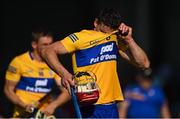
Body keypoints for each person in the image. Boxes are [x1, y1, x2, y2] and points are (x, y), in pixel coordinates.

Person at [42, 8, 150, 118]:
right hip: (90, 105)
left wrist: (129, 40)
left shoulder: (115, 38)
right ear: (96, 22)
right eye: (103, 31)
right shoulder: (81, 37)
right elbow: (47, 51)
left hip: (111, 107)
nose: (105, 35)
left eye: (111, 30)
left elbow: (144, 64)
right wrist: (65, 74)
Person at [4, 28, 71, 118]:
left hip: (44, 115)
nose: (49, 47)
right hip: (23, 114)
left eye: (51, 44)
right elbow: (8, 90)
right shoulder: (19, 62)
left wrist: (53, 106)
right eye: (44, 44)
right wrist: (24, 105)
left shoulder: (54, 64)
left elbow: (67, 90)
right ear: (34, 45)